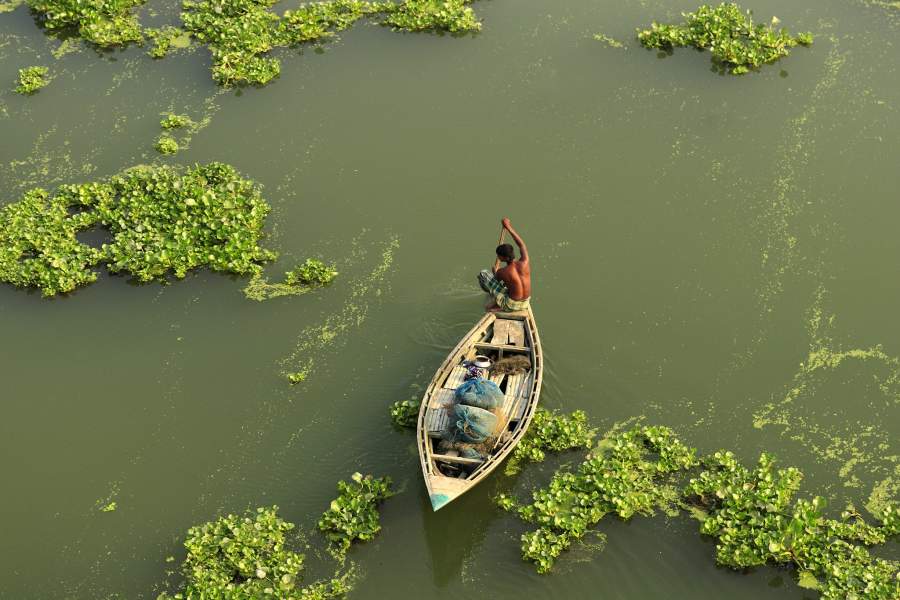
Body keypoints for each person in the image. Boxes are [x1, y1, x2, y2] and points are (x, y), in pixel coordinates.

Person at [478, 217, 531, 312]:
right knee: (511, 283)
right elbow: (521, 244)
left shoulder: (502, 272)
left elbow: (496, 281)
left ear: (504, 258)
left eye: (499, 256)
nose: (498, 257)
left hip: (512, 305)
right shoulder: (525, 261)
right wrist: (508, 227)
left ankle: (496, 307)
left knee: (484, 274)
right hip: (526, 302)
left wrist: (495, 271)